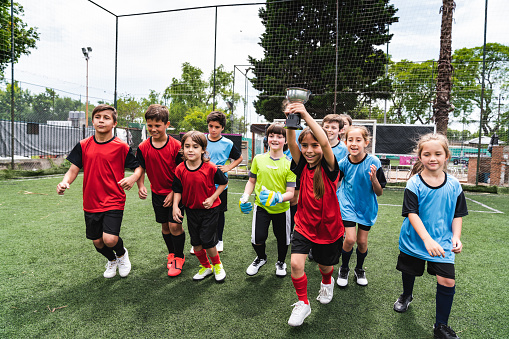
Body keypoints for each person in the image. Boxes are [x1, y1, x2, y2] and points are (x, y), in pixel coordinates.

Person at [393, 133, 467, 339]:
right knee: (409, 271)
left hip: (442, 242)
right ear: (420, 157)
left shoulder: (454, 185)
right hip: (414, 240)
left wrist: (456, 236)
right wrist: (426, 239)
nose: (432, 158)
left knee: (447, 281)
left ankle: (441, 326)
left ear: (446, 156)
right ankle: (407, 295)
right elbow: (411, 213)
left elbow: (457, 214)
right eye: (427, 154)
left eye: (437, 153)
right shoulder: (414, 184)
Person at [56, 104, 142, 278]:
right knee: (98, 242)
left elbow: (138, 168)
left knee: (110, 239)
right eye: (98, 117)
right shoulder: (83, 145)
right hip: (91, 201)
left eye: (106, 117)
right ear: (93, 121)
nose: (101, 120)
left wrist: (133, 179)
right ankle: (111, 260)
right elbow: (73, 170)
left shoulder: (121, 147)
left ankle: (122, 254)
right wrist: (64, 182)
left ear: (114, 123)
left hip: (114, 199)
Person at [285, 102, 344, 327]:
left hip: (329, 228)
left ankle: (327, 281)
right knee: (296, 265)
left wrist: (305, 114)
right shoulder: (301, 164)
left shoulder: (330, 166)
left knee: (325, 266)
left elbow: (326, 143)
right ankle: (303, 303)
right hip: (303, 225)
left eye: (314, 145)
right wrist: (291, 119)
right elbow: (292, 142)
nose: (309, 150)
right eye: (305, 146)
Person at [239, 123, 296, 277]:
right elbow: (251, 181)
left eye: (279, 136)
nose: (275, 139)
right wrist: (245, 196)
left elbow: (291, 193)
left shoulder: (290, 163)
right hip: (261, 207)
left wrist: (277, 197)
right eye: (271, 136)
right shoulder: (258, 159)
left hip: (282, 209)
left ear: (285, 140)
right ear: (267, 139)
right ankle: (261, 257)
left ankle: (281, 262)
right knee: (257, 238)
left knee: (283, 240)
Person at [136, 104, 185, 277]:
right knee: (165, 226)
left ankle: (179, 257)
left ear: (167, 124)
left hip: (176, 193)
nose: (153, 129)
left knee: (174, 225)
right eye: (150, 125)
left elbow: (181, 173)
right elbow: (140, 168)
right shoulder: (142, 147)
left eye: (157, 125)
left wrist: (173, 193)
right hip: (157, 193)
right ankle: (171, 253)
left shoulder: (177, 146)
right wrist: (141, 185)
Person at [172, 131, 228, 283]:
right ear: (182, 149)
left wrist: (212, 197)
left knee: (208, 241)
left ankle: (217, 265)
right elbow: (177, 189)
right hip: (191, 210)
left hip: (210, 210)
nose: (190, 150)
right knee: (196, 244)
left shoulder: (210, 168)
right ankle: (206, 267)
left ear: (203, 149)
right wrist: (175, 206)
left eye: (195, 147)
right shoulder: (180, 169)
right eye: (187, 146)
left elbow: (223, 183)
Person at [336, 125, 386, 287]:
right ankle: (344, 268)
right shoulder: (343, 163)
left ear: (366, 142)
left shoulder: (374, 162)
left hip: (366, 207)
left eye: (358, 140)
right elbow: (336, 183)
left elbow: (379, 193)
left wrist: (374, 180)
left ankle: (359, 269)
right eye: (350, 140)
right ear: (345, 142)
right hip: (347, 204)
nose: (354, 143)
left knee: (362, 242)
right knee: (350, 239)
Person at [191, 111, 242, 254]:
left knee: (219, 213)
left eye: (217, 127)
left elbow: (238, 158)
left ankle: (219, 240)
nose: (213, 130)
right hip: (200, 183)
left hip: (220, 185)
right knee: (199, 212)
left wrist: (228, 167)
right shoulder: (201, 140)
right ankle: (198, 241)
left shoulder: (228, 143)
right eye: (210, 126)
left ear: (222, 128)